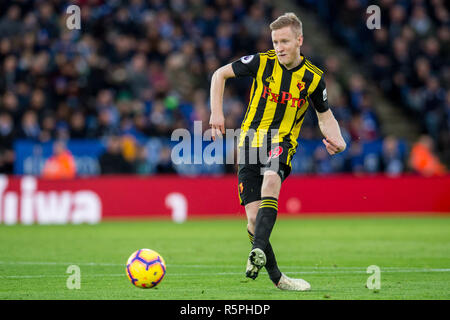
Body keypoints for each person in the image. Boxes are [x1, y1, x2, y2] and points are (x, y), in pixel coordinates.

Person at [209, 13, 346, 291]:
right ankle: (277, 278)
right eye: (275, 41)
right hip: (249, 142)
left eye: (284, 41)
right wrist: (216, 113)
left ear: (299, 40)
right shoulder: (262, 62)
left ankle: (256, 251)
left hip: (280, 141)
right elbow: (219, 74)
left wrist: (338, 139)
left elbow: (325, 115)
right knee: (251, 219)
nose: (279, 47)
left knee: (272, 179)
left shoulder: (313, 78)